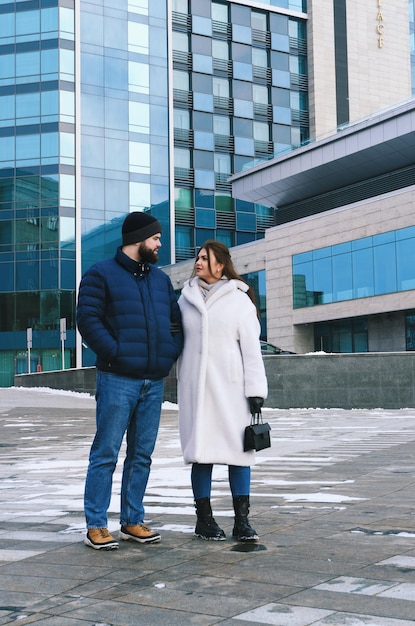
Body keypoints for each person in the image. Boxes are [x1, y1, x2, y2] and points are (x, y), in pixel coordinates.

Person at [76, 212, 183, 550]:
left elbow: (175, 324)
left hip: (153, 381)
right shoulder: (101, 274)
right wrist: (115, 352)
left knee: (141, 455)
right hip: (117, 378)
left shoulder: (159, 279)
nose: (160, 244)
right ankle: (96, 524)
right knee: (105, 452)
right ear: (138, 239)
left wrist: (167, 355)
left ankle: (132, 520)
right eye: (156, 238)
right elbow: (87, 318)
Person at [177, 240, 268, 542]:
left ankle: (242, 522)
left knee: (239, 454)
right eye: (198, 257)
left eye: (205, 258)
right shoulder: (185, 299)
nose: (198, 262)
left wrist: (256, 391)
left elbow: (252, 350)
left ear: (220, 264)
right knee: (200, 454)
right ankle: (204, 520)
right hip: (197, 391)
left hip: (231, 390)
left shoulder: (240, 300)